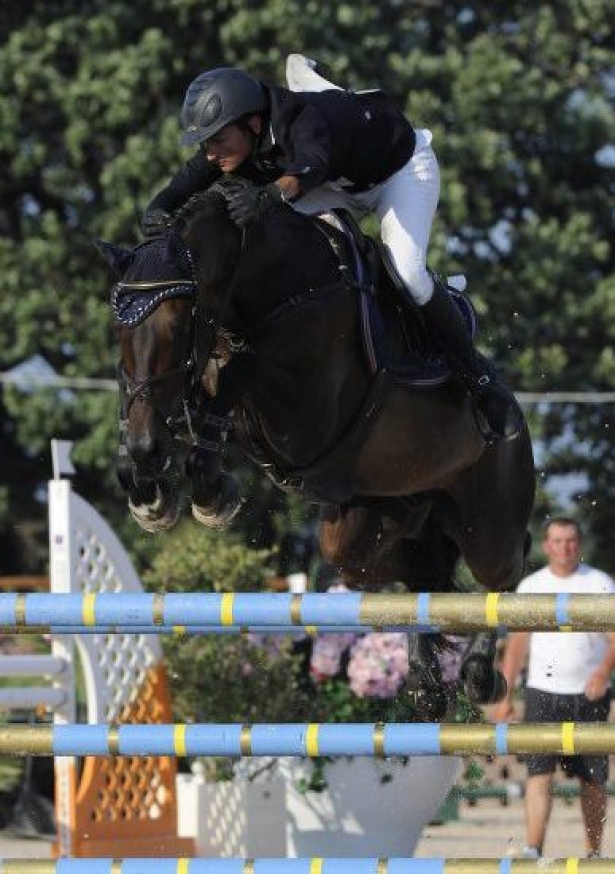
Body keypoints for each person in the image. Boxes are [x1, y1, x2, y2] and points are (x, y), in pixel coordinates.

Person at [142, 57, 523, 445]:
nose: (210, 153)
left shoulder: (301, 121)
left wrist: (270, 194)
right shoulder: (240, 132)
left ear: (254, 125)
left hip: (398, 172)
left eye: (217, 141)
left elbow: (312, 165)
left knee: (407, 274)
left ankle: (480, 380)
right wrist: (158, 206)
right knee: (261, 229)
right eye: (206, 143)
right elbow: (191, 177)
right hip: (335, 181)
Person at [492, 517, 615, 859]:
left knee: (592, 779)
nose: (564, 548)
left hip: (589, 694)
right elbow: (517, 645)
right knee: (538, 774)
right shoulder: (531, 586)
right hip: (541, 692)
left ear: (580, 544)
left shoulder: (600, 584)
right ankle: (534, 849)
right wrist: (505, 697)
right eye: (557, 541)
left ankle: (593, 853)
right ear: (546, 546)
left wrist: (603, 673)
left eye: (571, 541)